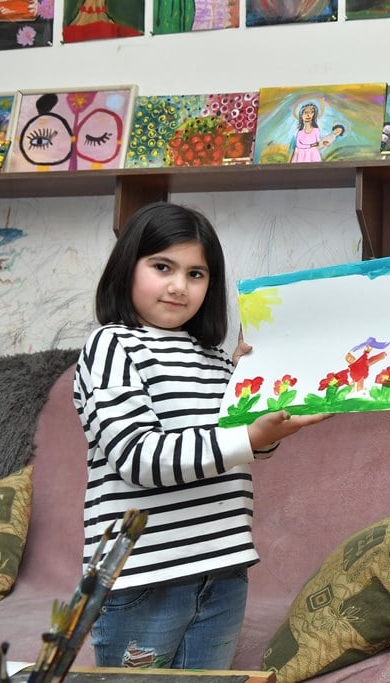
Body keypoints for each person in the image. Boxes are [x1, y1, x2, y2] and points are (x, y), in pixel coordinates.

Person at [73, 201, 328, 670]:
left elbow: (237, 445)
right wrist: (247, 438)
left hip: (223, 569)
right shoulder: (112, 345)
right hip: (143, 576)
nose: (179, 286)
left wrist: (262, 408)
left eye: (196, 274)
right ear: (126, 268)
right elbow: (137, 457)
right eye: (162, 267)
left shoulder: (214, 359)